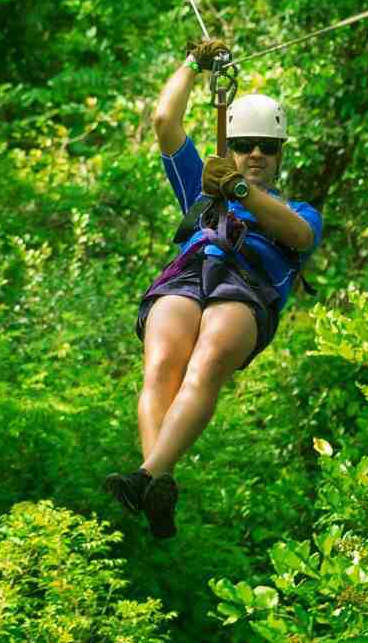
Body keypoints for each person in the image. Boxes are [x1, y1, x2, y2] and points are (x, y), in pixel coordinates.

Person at [106, 40, 323, 538]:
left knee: (203, 365)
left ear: (280, 155)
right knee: (160, 366)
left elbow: (299, 236)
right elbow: (165, 122)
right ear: (233, 146)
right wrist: (191, 64)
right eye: (245, 144)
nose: (254, 155)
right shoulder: (202, 186)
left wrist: (239, 190)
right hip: (189, 274)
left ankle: (146, 476)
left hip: (245, 288)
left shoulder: (299, 211)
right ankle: (156, 479)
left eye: (267, 148)